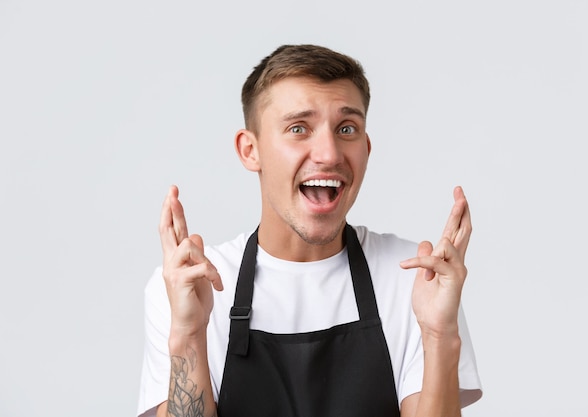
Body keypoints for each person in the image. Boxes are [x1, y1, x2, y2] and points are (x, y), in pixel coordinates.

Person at [137, 44, 483, 417]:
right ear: (250, 150)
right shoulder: (191, 287)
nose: (330, 154)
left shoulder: (416, 280)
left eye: (346, 128)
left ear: (366, 148)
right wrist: (189, 335)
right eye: (298, 128)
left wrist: (440, 336)